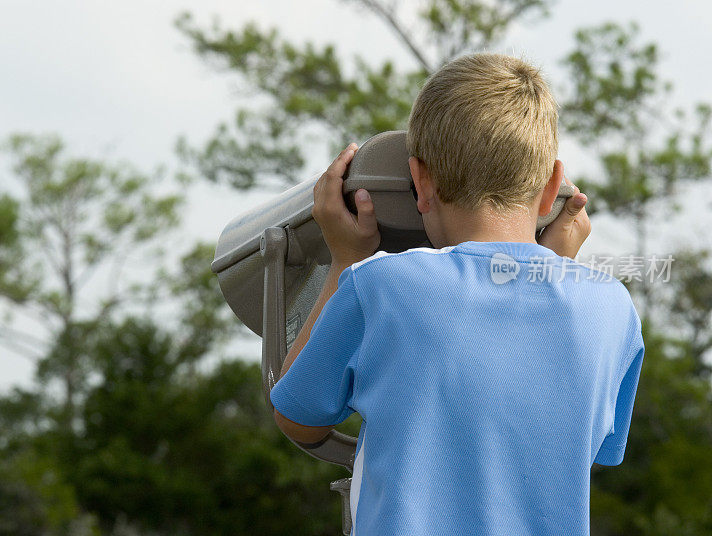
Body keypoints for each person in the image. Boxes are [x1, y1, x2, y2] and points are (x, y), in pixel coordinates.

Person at [269, 53, 644, 536]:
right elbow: (571, 443)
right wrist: (557, 268)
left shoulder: (379, 286)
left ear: (421, 182)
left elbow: (299, 417)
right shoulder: (612, 308)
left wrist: (343, 262)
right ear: (552, 187)